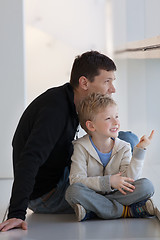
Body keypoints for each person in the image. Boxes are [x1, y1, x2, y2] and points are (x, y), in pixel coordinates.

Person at [0, 51, 121, 232]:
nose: (112, 89)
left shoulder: (70, 100)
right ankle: (124, 206)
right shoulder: (55, 111)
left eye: (113, 81)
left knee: (125, 140)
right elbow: (30, 158)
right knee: (112, 185)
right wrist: (17, 213)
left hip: (61, 174)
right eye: (107, 81)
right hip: (46, 195)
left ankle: (118, 195)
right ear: (84, 83)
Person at [65, 93, 159, 222]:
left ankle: (94, 211)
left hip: (116, 194)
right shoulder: (80, 147)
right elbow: (76, 180)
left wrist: (140, 151)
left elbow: (130, 180)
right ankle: (126, 211)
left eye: (116, 116)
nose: (116, 122)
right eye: (108, 118)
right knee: (73, 192)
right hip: (92, 194)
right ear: (91, 126)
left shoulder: (124, 147)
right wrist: (108, 182)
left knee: (147, 186)